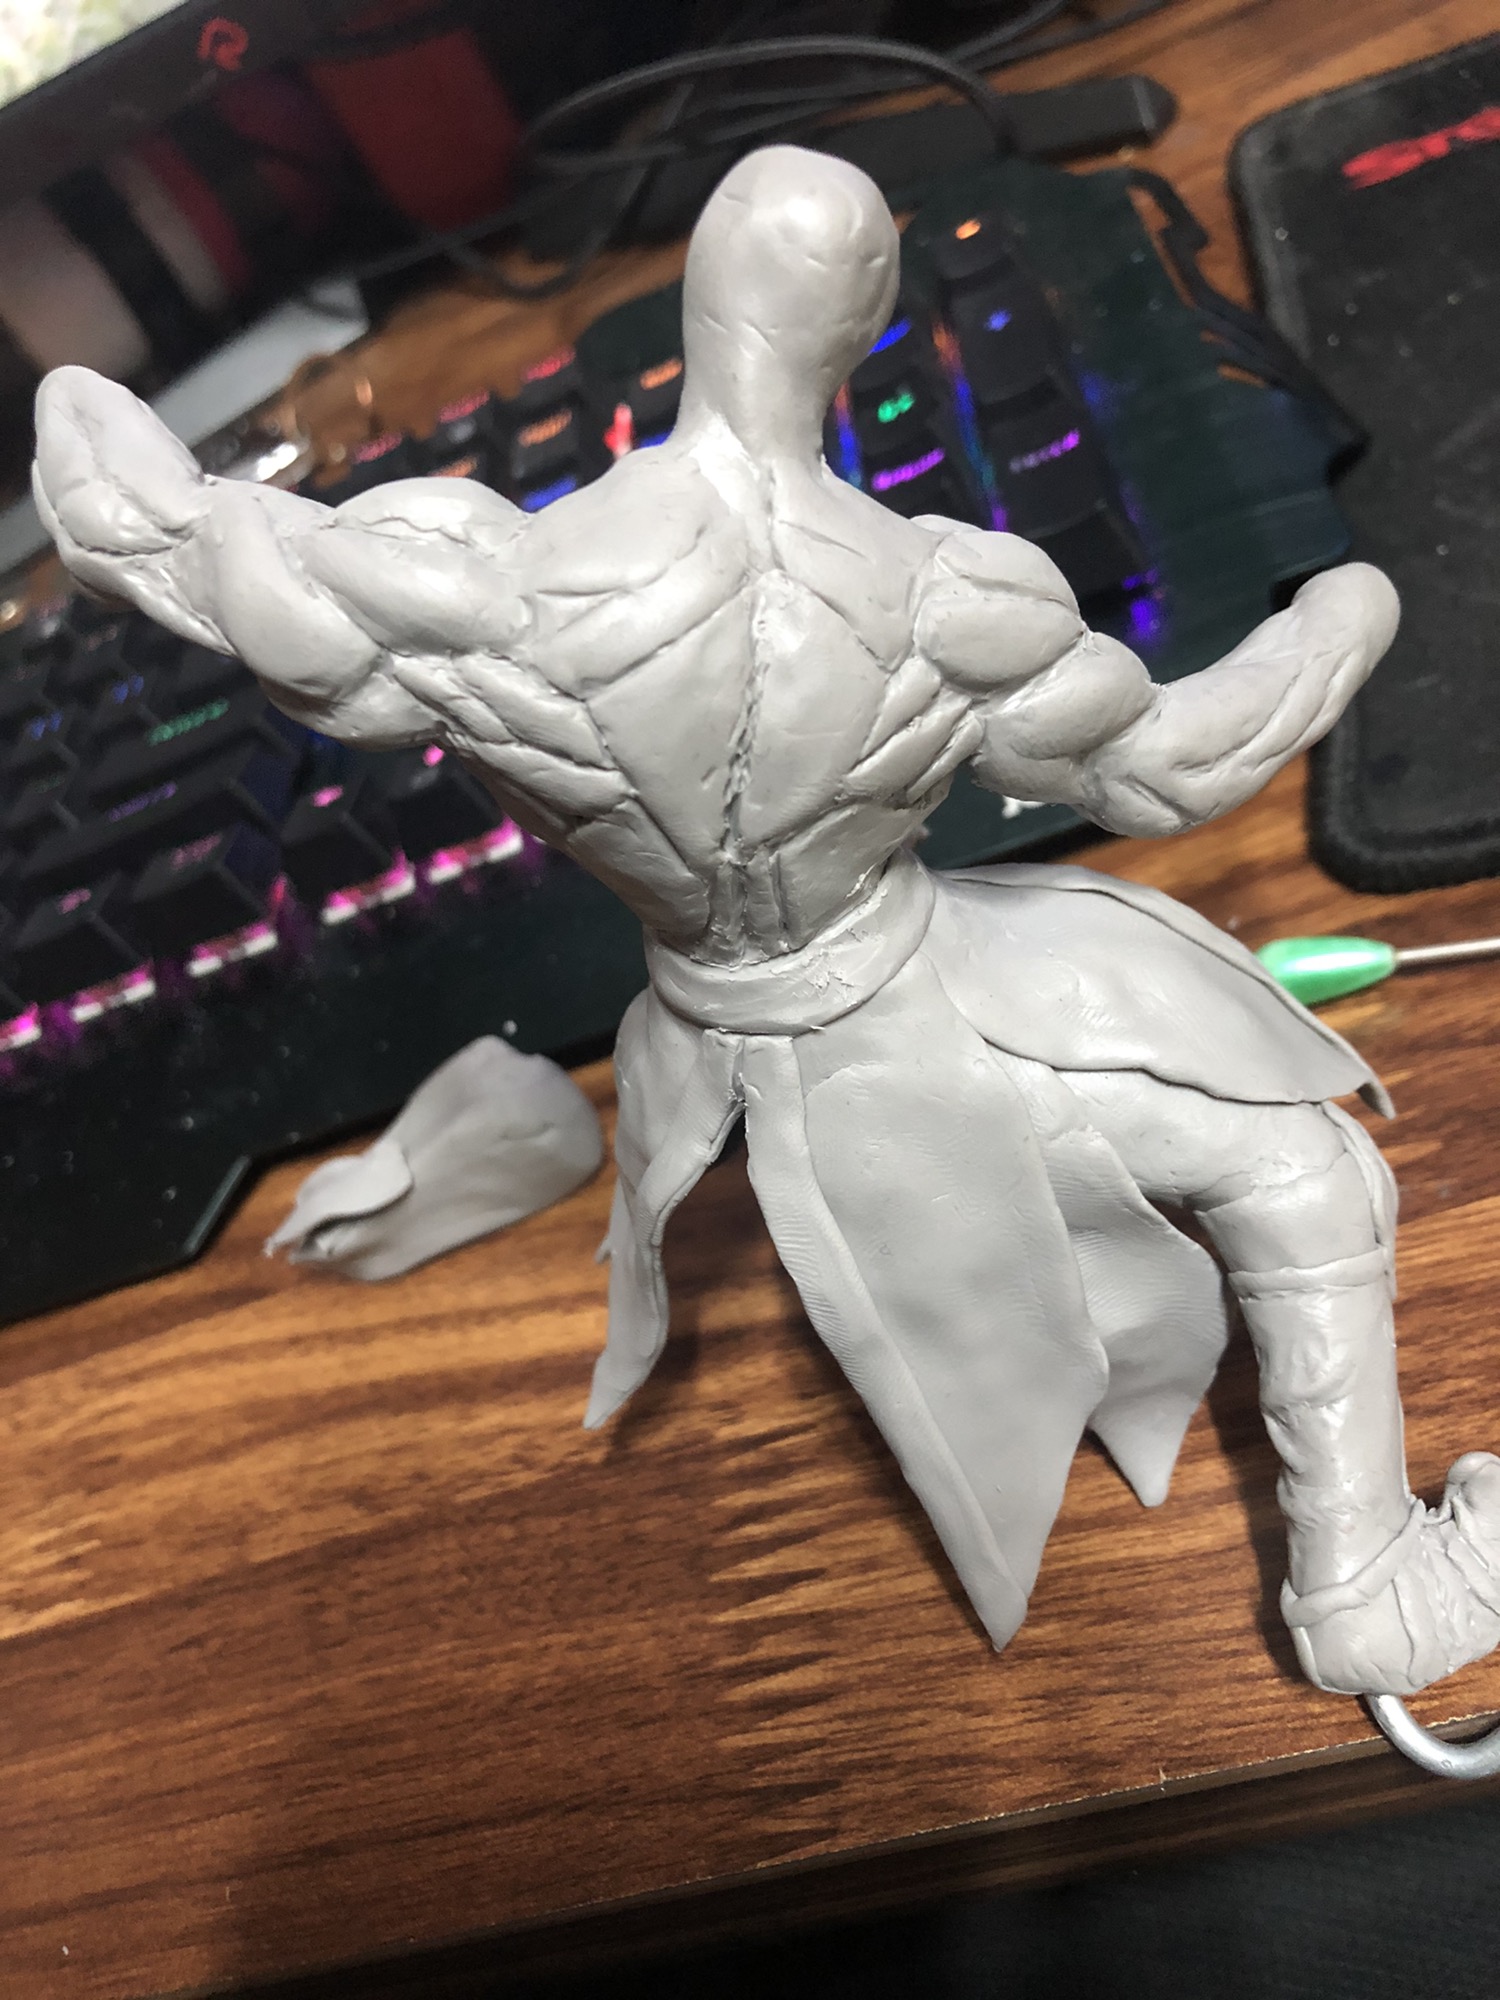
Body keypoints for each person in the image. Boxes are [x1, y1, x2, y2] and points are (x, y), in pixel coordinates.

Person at [33, 145, 1500, 1698]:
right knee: (1305, 1178)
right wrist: (1340, 619)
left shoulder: (495, 581)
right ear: (863, 327)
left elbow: (143, 535)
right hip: (912, 1006)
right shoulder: (947, 597)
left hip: (707, 1036)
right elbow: (1177, 764)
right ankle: (1359, 1589)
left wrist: (94, 425)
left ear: (697, 303)